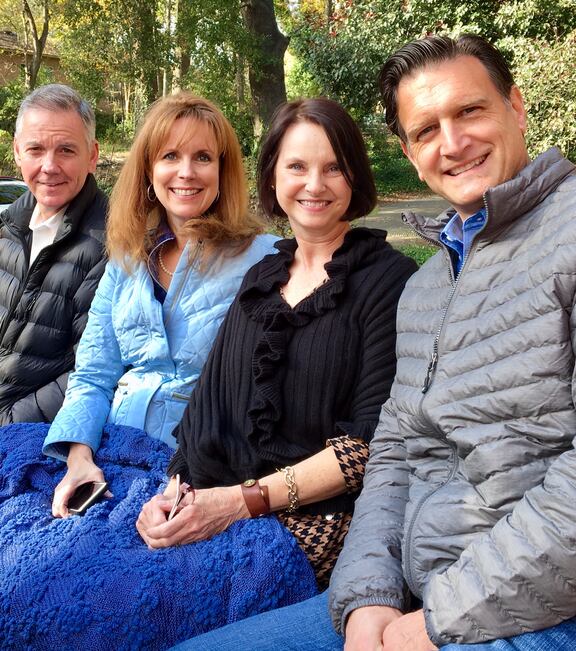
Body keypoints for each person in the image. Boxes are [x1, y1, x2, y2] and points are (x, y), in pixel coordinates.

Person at [170, 34, 576, 651]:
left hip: (554, 599)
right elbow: (398, 452)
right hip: (417, 590)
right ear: (408, 150)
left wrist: (434, 621)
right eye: (426, 130)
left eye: (470, 111)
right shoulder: (430, 285)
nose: (452, 143)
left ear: (517, 105)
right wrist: (367, 595)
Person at [136, 97, 418, 587]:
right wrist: (174, 496)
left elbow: (370, 447)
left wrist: (240, 502)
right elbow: (206, 408)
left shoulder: (389, 282)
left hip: (316, 527)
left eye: (334, 167)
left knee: (130, 605)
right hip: (218, 504)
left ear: (356, 177)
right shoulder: (261, 278)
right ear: (272, 178)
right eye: (297, 166)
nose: (314, 184)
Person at [41, 92, 277, 518]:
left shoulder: (265, 258)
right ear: (149, 170)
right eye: (170, 155)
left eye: (203, 157)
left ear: (223, 171)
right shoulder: (127, 258)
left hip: (203, 470)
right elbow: (94, 374)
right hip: (110, 454)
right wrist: (79, 459)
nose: (186, 172)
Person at [0, 83, 107, 424]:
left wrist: (9, 420)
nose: (49, 166)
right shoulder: (6, 230)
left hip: (27, 435)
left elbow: (91, 370)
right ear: (18, 152)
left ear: (92, 156)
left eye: (66, 150)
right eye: (35, 149)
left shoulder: (113, 245)